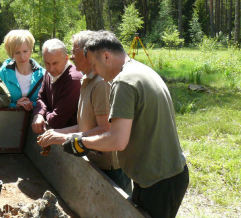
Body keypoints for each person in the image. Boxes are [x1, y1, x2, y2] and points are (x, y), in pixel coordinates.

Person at [64, 31, 189, 218]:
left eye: (94, 65)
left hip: (159, 180)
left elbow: (117, 140)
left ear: (106, 56)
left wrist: (81, 142)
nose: (95, 71)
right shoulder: (139, 70)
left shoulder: (123, 82)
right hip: (162, 174)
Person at [37, 31, 132, 195]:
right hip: (94, 159)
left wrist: (65, 138)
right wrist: (57, 133)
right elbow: (85, 126)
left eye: (74, 51)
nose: (72, 57)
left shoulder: (100, 83)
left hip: (109, 166)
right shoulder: (87, 79)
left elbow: (105, 129)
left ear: (88, 53)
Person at [31, 39, 83, 133]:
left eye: (55, 63)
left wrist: (43, 113)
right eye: (47, 63)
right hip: (53, 135)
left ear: (66, 58)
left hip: (70, 138)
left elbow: (57, 121)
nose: (51, 68)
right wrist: (38, 114)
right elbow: (41, 97)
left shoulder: (73, 80)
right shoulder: (49, 72)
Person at [0, 30, 45, 111]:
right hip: (8, 120)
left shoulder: (43, 74)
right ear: (11, 53)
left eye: (25, 51)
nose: (22, 57)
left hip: (36, 120)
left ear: (31, 49)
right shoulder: (3, 73)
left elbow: (47, 102)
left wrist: (31, 104)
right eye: (17, 52)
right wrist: (15, 105)